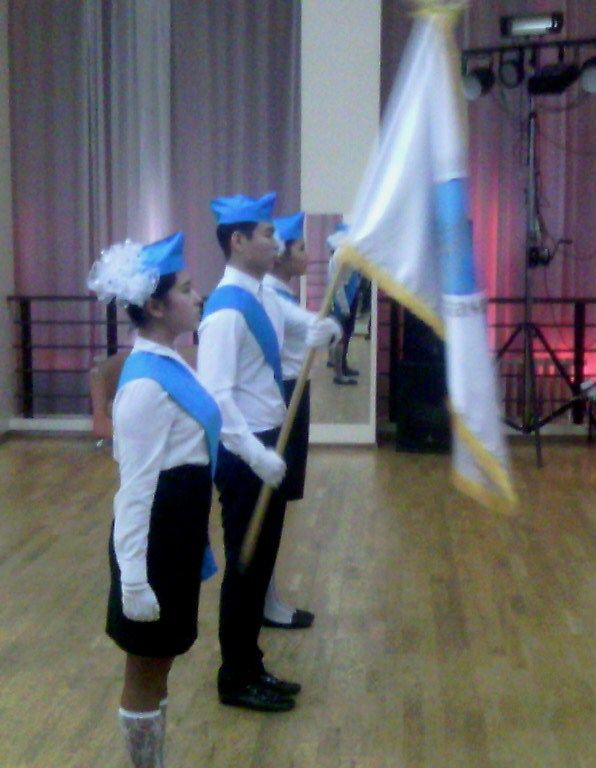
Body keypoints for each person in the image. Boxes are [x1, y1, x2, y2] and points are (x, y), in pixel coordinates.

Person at [196, 193, 339, 712]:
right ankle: (234, 676)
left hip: (267, 444)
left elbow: (295, 326)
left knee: (261, 565)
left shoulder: (260, 296)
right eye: (265, 233)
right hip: (246, 454)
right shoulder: (224, 312)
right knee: (245, 564)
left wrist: (319, 329)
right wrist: (256, 456)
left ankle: (251, 664)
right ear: (237, 241)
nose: (275, 241)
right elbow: (216, 396)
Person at [87, 232, 221, 768]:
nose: (197, 296)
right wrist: (134, 581)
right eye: (186, 289)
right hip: (154, 543)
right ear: (157, 306)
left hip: (179, 532)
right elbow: (135, 494)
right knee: (145, 667)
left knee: (161, 661)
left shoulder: (171, 362)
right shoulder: (144, 387)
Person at [262, 211, 341, 629]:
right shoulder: (270, 296)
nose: (309, 255)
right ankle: (266, 602)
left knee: (279, 504)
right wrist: (326, 326)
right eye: (301, 247)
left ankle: (268, 597)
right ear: (280, 256)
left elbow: (319, 327)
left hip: (295, 392)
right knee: (270, 504)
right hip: (282, 396)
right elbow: (311, 325)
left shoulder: (283, 294)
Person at [327, 223, 362, 385]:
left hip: (350, 296)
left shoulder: (349, 253)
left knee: (346, 334)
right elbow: (337, 285)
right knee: (339, 336)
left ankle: (343, 366)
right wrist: (344, 306)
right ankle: (339, 374)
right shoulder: (339, 256)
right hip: (342, 299)